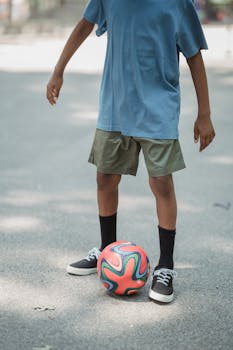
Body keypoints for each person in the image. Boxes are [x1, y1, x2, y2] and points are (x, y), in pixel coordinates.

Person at [47, 0, 215, 303]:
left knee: (161, 182)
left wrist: (204, 113)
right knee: (105, 179)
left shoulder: (178, 3)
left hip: (158, 107)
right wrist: (59, 69)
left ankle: (165, 266)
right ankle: (107, 251)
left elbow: (193, 54)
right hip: (115, 105)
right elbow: (84, 25)